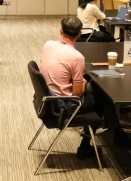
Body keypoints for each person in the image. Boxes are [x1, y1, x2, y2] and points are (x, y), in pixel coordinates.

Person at [39, 16, 103, 159]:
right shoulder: (77, 57)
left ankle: (112, 127)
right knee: (101, 97)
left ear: (61, 31)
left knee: (90, 86)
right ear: (79, 34)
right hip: (63, 106)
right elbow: (77, 93)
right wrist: (83, 83)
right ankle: (86, 145)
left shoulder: (48, 45)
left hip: (46, 101)